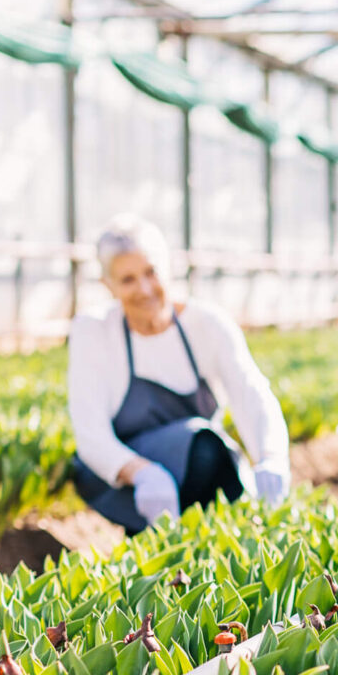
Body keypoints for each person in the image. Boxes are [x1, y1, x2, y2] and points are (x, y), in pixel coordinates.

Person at [67, 215, 291, 535]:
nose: (144, 289)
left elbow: (250, 391)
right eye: (128, 279)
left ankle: (203, 538)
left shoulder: (207, 323)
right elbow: (89, 432)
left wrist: (270, 457)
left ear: (169, 269)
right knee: (199, 443)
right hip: (121, 482)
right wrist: (142, 473)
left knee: (206, 447)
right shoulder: (93, 331)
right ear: (108, 285)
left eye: (151, 272)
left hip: (199, 469)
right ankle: (149, 537)